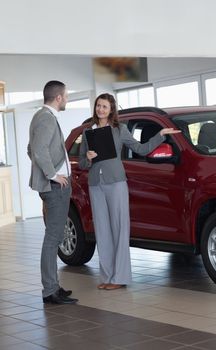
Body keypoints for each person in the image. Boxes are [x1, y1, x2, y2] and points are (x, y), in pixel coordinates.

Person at [79, 93, 181, 290]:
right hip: (95, 184)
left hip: (116, 182)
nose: (100, 109)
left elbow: (141, 149)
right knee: (102, 230)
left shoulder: (119, 130)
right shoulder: (87, 132)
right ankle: (107, 276)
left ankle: (120, 277)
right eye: (98, 106)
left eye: (104, 107)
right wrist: (88, 158)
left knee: (119, 229)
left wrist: (160, 136)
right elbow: (83, 163)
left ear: (111, 110)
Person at [28, 80, 78, 304]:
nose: (66, 99)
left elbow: (32, 150)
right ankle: (50, 290)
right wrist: (53, 175)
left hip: (55, 185)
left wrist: (52, 170)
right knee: (53, 238)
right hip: (54, 187)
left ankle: (53, 286)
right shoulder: (46, 118)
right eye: (66, 96)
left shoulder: (42, 117)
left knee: (54, 236)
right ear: (58, 97)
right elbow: (38, 151)